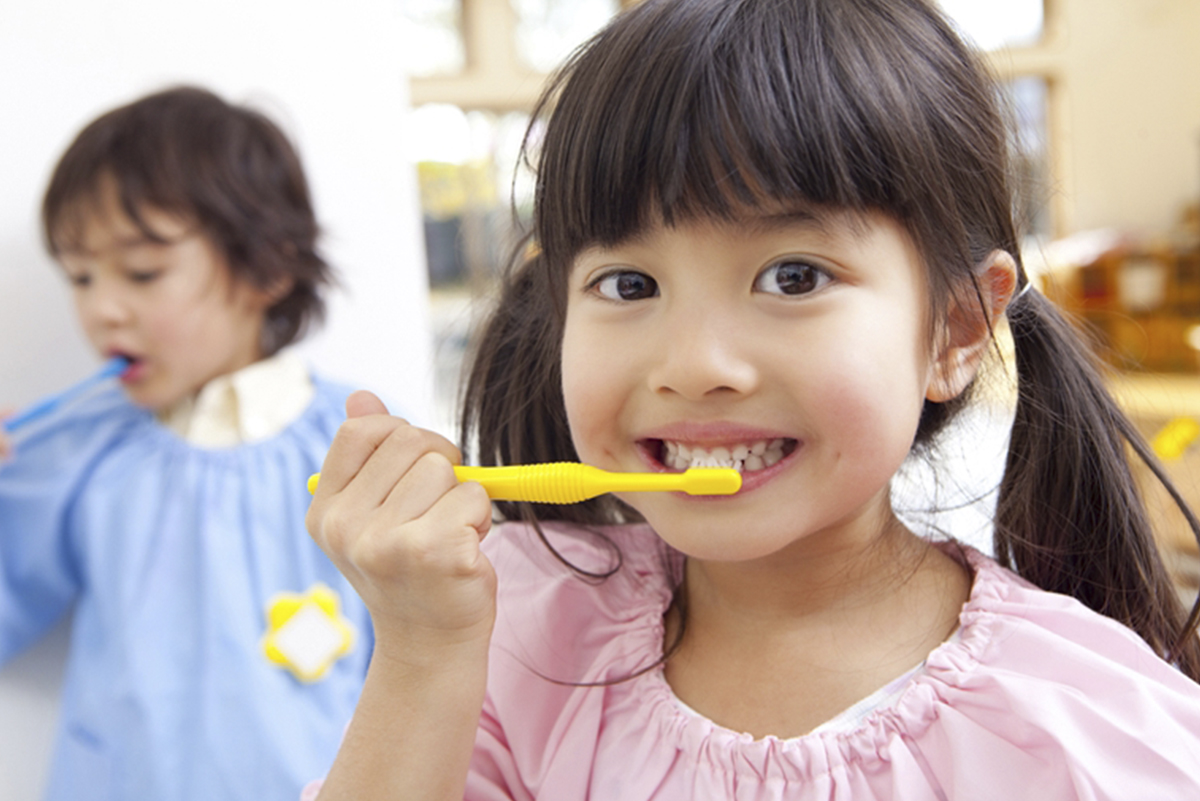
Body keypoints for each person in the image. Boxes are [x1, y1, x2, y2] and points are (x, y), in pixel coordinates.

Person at [304, 0, 1200, 798]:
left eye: (793, 275)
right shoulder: (513, 634)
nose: (694, 366)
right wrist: (422, 651)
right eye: (627, 285)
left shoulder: (1088, 729)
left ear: (957, 331)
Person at [0, 86, 374, 800]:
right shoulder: (80, 449)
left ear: (268, 267)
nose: (101, 307)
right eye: (80, 275)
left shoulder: (358, 447)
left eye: (142, 272)